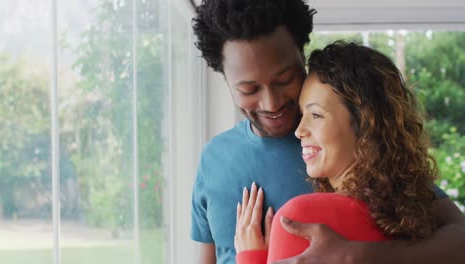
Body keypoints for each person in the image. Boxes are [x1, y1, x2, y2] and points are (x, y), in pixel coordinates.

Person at [190, 0, 465, 263]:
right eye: (249, 89)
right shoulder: (214, 159)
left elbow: (458, 238)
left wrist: (362, 257)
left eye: (284, 79)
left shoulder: (344, 147)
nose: (271, 103)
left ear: (302, 56)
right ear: (225, 78)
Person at [234, 41, 438, 263]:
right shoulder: (418, 217)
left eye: (316, 115)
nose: (299, 131)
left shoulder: (301, 219)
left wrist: (251, 257)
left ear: (364, 124)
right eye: (302, 115)